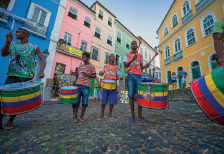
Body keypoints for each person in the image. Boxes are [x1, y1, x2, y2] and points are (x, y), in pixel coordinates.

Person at [0, 28, 46, 130]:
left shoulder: (34, 47)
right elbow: (3, 54)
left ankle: (11, 119)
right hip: (11, 74)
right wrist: (7, 42)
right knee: (4, 98)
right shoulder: (12, 45)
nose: (15, 33)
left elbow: (42, 58)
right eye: (15, 32)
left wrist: (41, 71)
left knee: (17, 99)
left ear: (25, 34)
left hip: (26, 76)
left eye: (18, 32)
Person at [123, 41, 150, 122]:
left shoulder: (140, 55)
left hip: (138, 76)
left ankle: (139, 115)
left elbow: (140, 67)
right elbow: (125, 65)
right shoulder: (127, 54)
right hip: (130, 75)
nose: (133, 45)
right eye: (132, 44)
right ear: (130, 46)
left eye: (135, 44)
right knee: (131, 95)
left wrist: (145, 66)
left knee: (140, 95)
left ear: (137, 46)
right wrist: (132, 59)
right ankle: (132, 115)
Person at [70, 52, 96, 123]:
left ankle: (81, 116)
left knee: (85, 102)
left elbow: (94, 76)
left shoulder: (91, 67)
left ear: (88, 58)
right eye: (82, 57)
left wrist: (87, 74)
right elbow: (79, 76)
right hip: (78, 86)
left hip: (86, 87)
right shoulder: (80, 67)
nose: (83, 58)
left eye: (84, 57)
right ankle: (74, 117)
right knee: (75, 102)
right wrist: (75, 74)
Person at [97, 54, 123, 120]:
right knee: (104, 100)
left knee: (112, 100)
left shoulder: (116, 67)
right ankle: (102, 114)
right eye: (111, 57)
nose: (113, 58)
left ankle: (110, 114)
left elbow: (117, 77)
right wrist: (100, 73)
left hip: (113, 85)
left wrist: (120, 78)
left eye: (114, 57)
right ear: (109, 58)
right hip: (105, 85)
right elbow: (102, 73)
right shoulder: (105, 66)